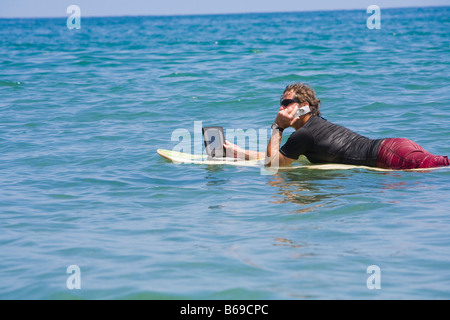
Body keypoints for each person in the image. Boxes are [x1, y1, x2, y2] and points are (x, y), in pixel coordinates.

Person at [223, 82, 449, 170]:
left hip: (391, 154)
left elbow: (274, 166)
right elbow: (285, 157)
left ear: (303, 106)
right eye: (280, 103)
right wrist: (238, 153)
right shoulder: (313, 129)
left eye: (286, 103)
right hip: (395, 147)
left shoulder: (304, 135)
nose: (280, 108)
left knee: (443, 165)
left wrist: (277, 128)